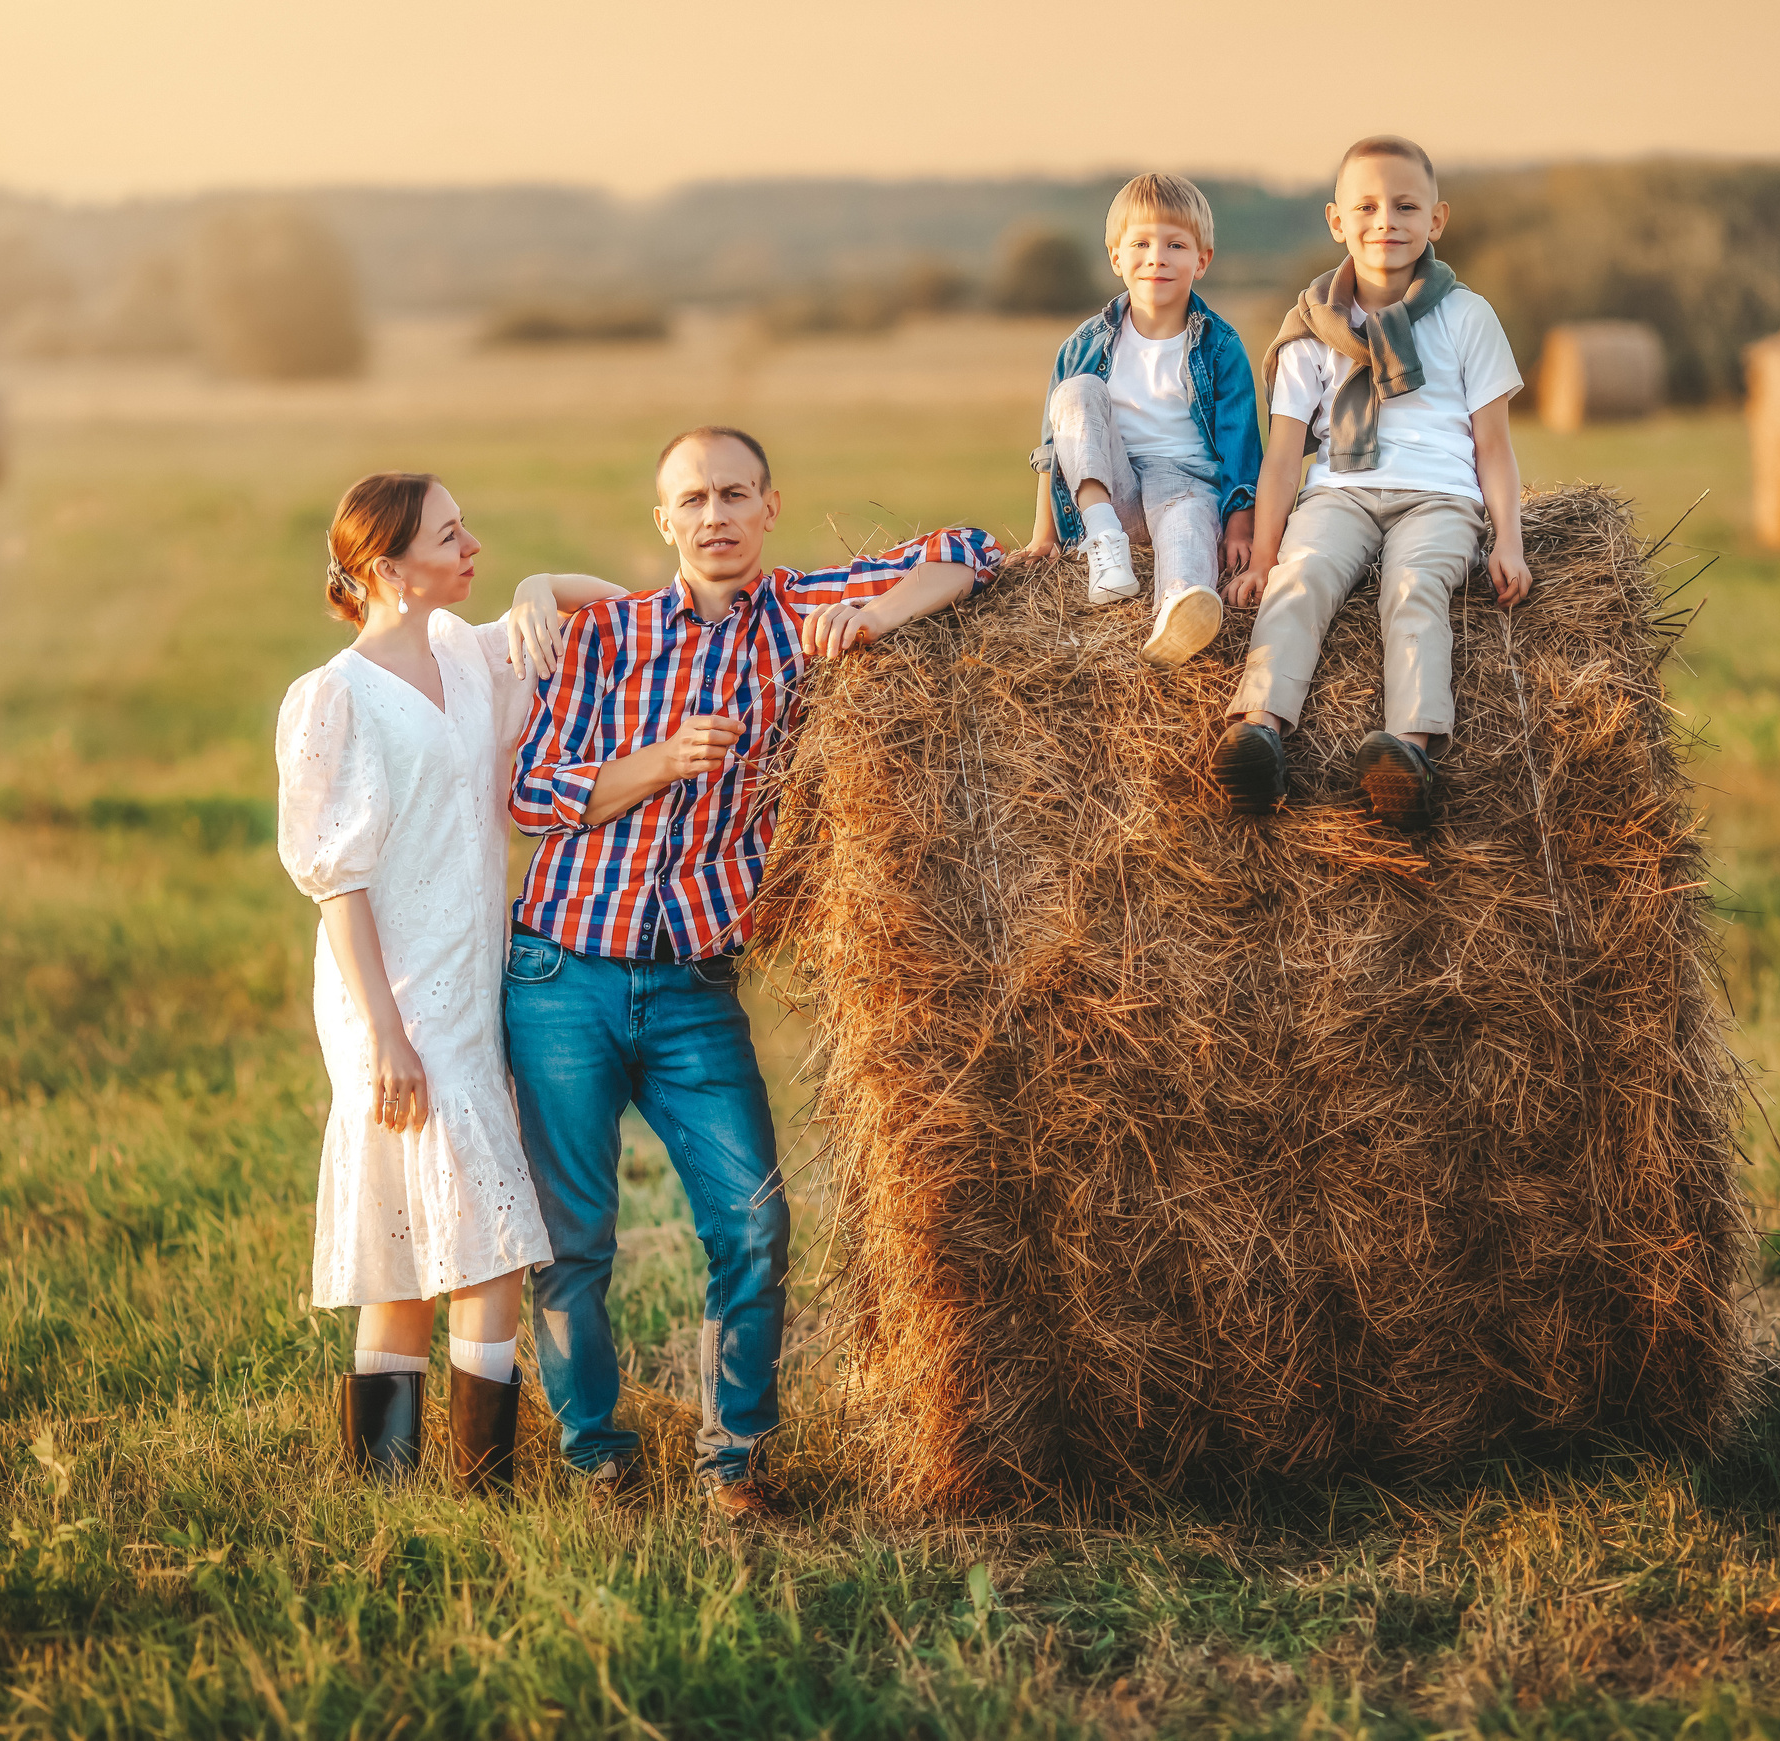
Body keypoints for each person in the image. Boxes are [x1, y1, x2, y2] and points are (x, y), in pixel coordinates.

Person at [508, 426, 1001, 1524]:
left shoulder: (795, 615)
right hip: (561, 971)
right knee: (573, 1237)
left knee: (752, 1222)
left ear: (769, 508)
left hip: (692, 986)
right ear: (664, 522)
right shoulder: (609, 635)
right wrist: (658, 763)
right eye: (693, 499)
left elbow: (972, 549)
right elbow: (532, 791)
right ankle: (598, 1454)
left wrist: (871, 617)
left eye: (735, 495)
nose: (715, 516)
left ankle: (734, 1461)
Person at [274, 471, 624, 1493]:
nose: (474, 546)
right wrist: (382, 1036)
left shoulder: (475, 660)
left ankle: (420, 1482)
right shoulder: (331, 698)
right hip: (390, 994)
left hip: (474, 987)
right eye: (452, 534)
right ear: (390, 566)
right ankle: (458, 1482)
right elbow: (336, 881)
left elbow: (620, 607)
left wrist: (540, 588)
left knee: (439, 1235)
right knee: (468, 1247)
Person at [1212, 136, 1532, 827]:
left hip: (1441, 498)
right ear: (1336, 220)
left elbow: (1495, 446)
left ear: (1437, 220)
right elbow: (1284, 455)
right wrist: (1265, 556)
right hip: (1340, 493)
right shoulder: (1309, 332)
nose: (1386, 220)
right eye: (1367, 205)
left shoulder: (1467, 317)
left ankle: (1406, 751)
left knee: (1414, 588)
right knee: (1301, 578)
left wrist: (1509, 538)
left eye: (1406, 205)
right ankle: (1259, 731)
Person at [1019, 173, 1262, 668]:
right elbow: (1055, 446)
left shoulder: (1221, 347)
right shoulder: (1083, 345)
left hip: (1188, 488)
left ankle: (1177, 610)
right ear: (1116, 258)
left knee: (1190, 523)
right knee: (1077, 393)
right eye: (1142, 243)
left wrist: (1240, 527)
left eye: (1175, 244)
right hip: (1115, 493)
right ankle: (1103, 543)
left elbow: (1242, 443)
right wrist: (1044, 535)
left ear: (1202, 260)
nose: (1157, 257)